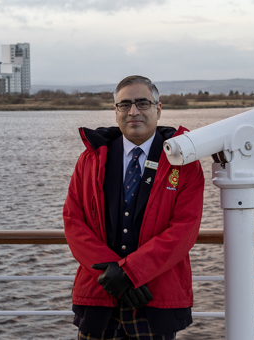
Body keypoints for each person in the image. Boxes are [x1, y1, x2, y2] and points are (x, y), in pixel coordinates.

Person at [63, 75, 205, 340]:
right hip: (99, 296)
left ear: (158, 109)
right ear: (115, 111)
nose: (133, 111)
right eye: (124, 104)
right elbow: (74, 221)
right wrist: (111, 275)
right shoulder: (90, 160)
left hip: (154, 298)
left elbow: (184, 229)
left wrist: (130, 273)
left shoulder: (184, 163)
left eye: (142, 103)